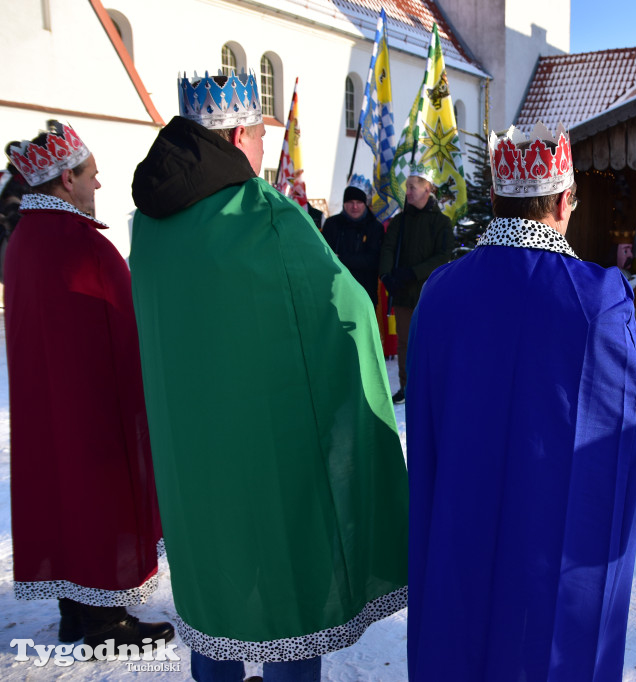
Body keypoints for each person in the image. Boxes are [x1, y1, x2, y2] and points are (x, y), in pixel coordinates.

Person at [130, 70, 409, 680]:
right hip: (267, 451)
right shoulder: (267, 217)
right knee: (288, 596)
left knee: (215, 589)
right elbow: (352, 310)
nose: (263, 149)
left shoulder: (146, 224)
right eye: (259, 135)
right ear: (237, 138)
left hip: (192, 457)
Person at [405, 122, 636, 681]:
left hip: (458, 521)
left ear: (494, 199)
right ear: (566, 202)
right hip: (548, 544)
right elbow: (629, 424)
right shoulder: (599, 299)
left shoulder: (440, 292)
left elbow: (423, 419)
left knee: (457, 640)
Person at [4, 121, 171, 648]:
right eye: (91, 175)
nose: (99, 186)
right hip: (94, 411)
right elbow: (127, 329)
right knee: (99, 502)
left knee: (62, 500)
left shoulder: (22, 241)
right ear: (65, 180)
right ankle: (104, 621)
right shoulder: (82, 247)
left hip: (46, 408)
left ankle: (76, 611)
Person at [378, 164, 453, 404]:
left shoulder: (441, 223)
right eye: (407, 187)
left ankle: (431, 388)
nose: (407, 192)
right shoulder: (400, 221)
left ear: (427, 188)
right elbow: (388, 248)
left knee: (430, 340)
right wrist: (386, 275)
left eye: (412, 187)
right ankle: (407, 387)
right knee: (404, 342)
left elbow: (444, 257)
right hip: (403, 292)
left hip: (430, 292)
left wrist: (414, 272)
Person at [321, 176, 383, 305]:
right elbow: (323, 256)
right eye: (350, 202)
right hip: (335, 293)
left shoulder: (375, 227)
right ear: (344, 203)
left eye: (359, 202)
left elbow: (373, 260)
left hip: (364, 293)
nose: (354, 207)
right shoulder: (332, 224)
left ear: (365, 204)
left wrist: (341, 259)